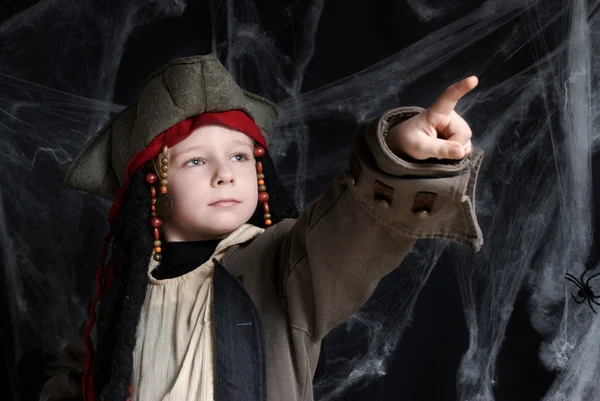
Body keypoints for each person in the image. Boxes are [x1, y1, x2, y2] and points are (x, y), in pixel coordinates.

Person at [39, 53, 484, 401]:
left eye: (238, 156)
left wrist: (401, 157)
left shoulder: (283, 264)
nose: (225, 173)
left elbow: (353, 226)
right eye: (195, 160)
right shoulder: (122, 294)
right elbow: (77, 378)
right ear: (150, 188)